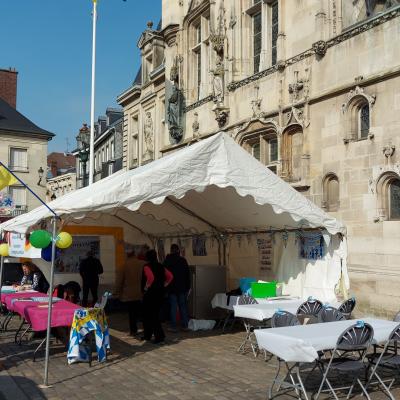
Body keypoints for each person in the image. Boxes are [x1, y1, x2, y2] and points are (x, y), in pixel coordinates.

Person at [141, 249, 173, 344]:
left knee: (150, 315)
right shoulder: (161, 266)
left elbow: (150, 277)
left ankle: (159, 336)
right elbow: (170, 276)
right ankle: (148, 335)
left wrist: (146, 287)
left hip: (150, 294)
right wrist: (164, 285)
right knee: (152, 315)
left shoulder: (146, 266)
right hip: (160, 294)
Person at [116, 244, 146, 336]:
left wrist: (116, 292)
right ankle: (146, 328)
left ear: (127, 255)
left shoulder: (124, 266)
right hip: (142, 292)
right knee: (143, 312)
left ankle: (133, 330)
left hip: (129, 294)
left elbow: (119, 281)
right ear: (134, 254)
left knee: (132, 313)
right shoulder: (143, 264)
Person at [163, 244, 191, 331]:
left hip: (172, 288)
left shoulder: (167, 261)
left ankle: (174, 326)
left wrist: (165, 288)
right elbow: (187, 274)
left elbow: (164, 275)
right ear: (178, 250)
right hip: (182, 288)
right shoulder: (183, 260)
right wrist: (188, 287)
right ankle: (185, 325)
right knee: (183, 306)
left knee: (173, 307)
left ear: (171, 250)